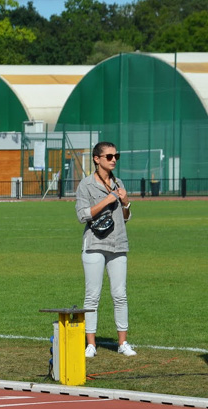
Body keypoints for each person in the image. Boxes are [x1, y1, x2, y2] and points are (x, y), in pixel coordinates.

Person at [76, 141, 135, 358]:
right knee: (92, 296)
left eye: (115, 156)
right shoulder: (86, 185)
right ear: (96, 159)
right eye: (109, 156)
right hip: (94, 244)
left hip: (118, 244)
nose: (113, 160)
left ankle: (123, 343)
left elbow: (125, 218)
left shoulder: (118, 182)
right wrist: (108, 200)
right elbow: (82, 215)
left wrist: (126, 201)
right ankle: (90, 344)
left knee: (120, 295)